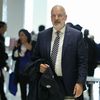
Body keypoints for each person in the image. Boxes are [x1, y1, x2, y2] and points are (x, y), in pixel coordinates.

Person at [32, 5, 87, 100]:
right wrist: (39, 66)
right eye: (53, 16)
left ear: (65, 17)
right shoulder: (42, 36)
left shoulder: (76, 35)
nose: (56, 18)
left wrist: (80, 82)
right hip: (48, 84)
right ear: (50, 18)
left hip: (70, 85)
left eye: (59, 15)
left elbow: (82, 62)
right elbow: (35, 59)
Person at [12, 29, 34, 100]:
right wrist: (16, 52)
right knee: (23, 92)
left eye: (22, 35)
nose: (20, 37)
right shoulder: (18, 45)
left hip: (31, 72)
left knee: (32, 92)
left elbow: (36, 57)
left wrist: (31, 49)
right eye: (19, 35)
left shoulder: (33, 44)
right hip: (21, 72)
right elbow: (13, 57)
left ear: (27, 36)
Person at [83, 29, 97, 99]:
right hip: (90, 64)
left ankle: (87, 90)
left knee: (84, 78)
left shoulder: (81, 41)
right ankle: (89, 90)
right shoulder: (91, 42)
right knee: (90, 79)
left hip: (85, 64)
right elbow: (95, 53)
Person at [0, 21, 8, 100]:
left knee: (1, 82)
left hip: (1, 64)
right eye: (5, 28)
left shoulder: (2, 38)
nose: (6, 29)